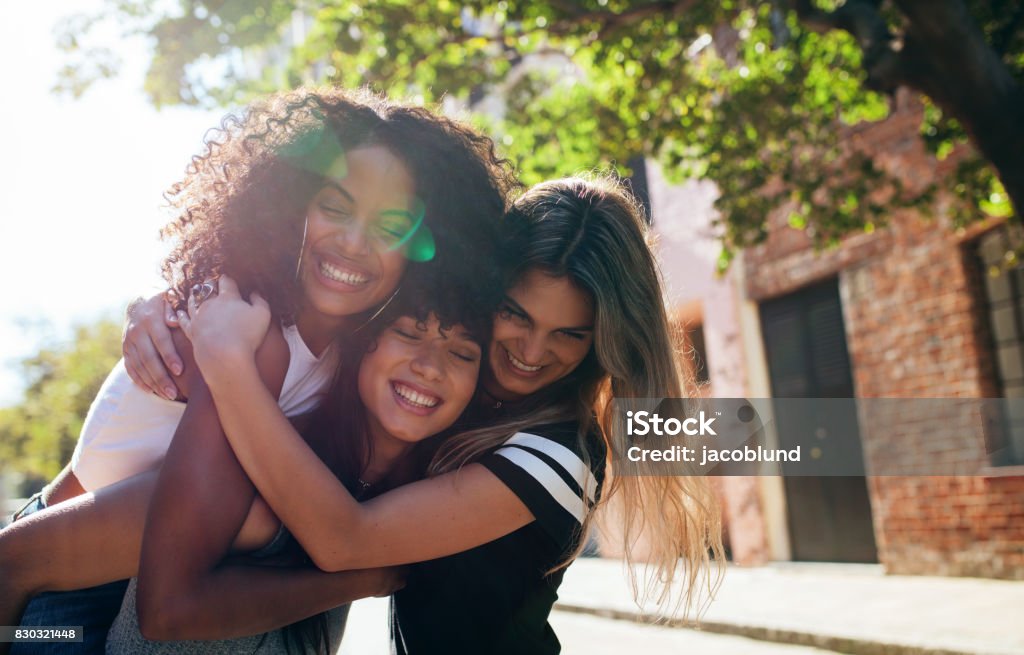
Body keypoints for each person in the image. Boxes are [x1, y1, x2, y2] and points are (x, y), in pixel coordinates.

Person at [0, 85, 514, 654]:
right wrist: (352, 577)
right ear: (291, 206)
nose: (352, 242)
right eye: (334, 207)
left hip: (136, 572)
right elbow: (152, 599)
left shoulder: (355, 354)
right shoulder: (245, 330)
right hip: (57, 593)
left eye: (391, 227)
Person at [148, 175, 724, 654]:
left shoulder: (559, 455)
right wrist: (165, 312)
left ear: (600, 343)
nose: (529, 352)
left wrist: (227, 366)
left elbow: (344, 539)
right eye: (515, 315)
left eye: (567, 335)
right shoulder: (463, 399)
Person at [105, 269, 494, 653]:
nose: (430, 366)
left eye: (462, 353)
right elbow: (54, 553)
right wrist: (362, 580)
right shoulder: (243, 460)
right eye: (409, 333)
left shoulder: (411, 510)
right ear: (363, 343)